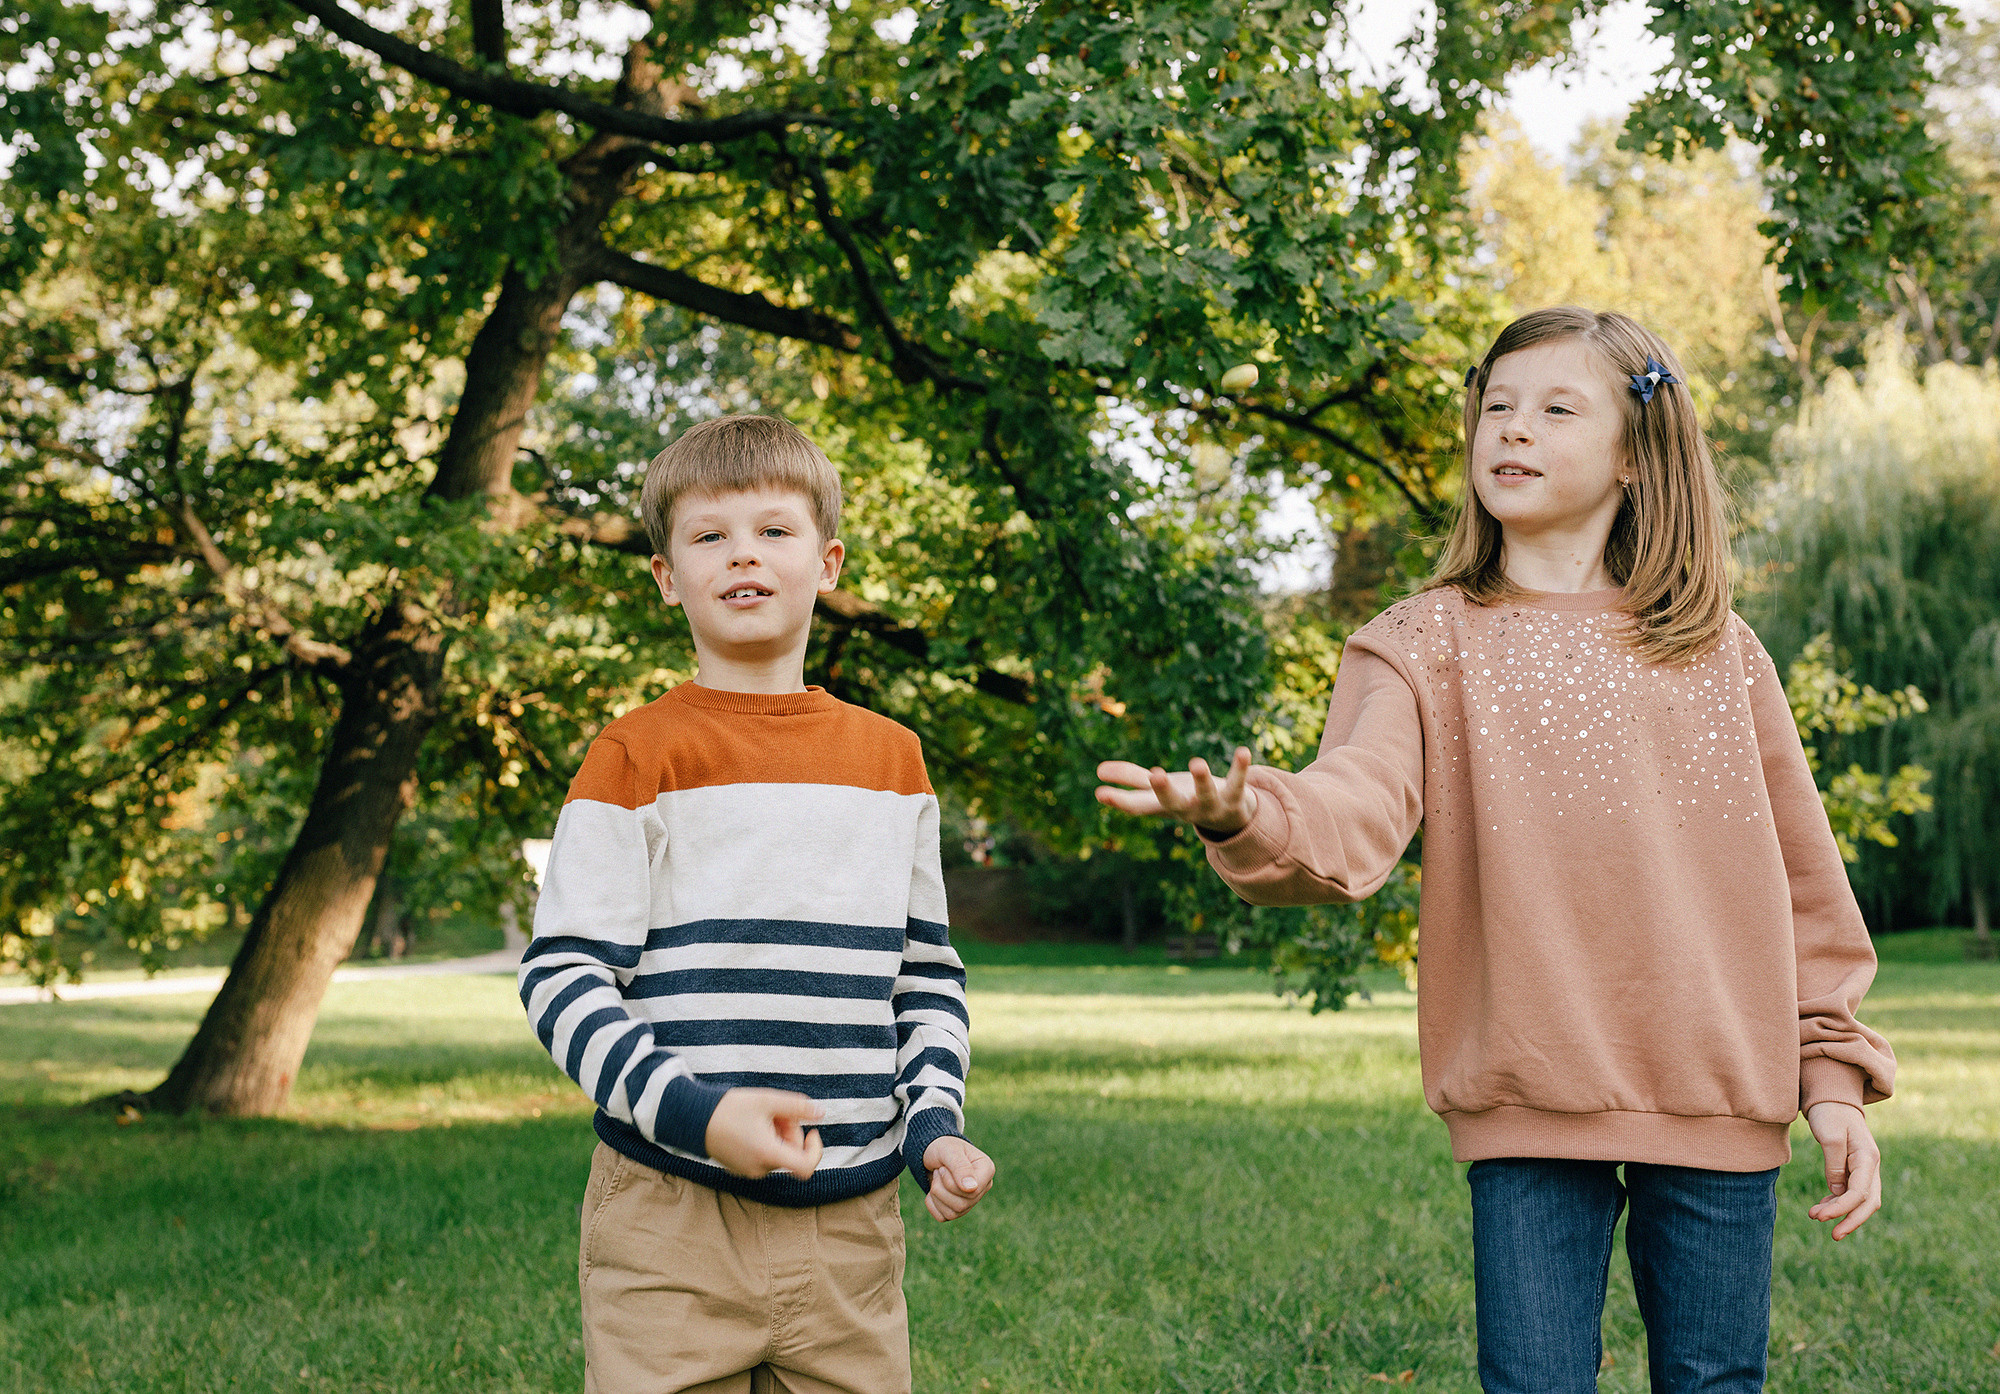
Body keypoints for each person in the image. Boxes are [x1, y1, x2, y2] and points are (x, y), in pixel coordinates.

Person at [1095, 307, 1895, 1394]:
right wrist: (1249, 815)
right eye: (1497, 406)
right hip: (1528, 1092)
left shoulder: (1718, 650)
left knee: (1715, 1382)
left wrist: (1831, 1078)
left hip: (1718, 1092)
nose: (1511, 428)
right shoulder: (1422, 641)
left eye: (1557, 409)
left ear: (1635, 453)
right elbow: (1354, 801)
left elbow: (1804, 882)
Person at [520, 414, 995, 1394]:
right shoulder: (634, 754)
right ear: (667, 577)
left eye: (774, 530)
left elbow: (923, 978)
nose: (743, 552)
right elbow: (564, 977)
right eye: (709, 535)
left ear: (826, 563)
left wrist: (934, 1123)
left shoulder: (893, 761)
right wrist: (696, 1114)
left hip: (852, 1224)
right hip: (670, 1215)